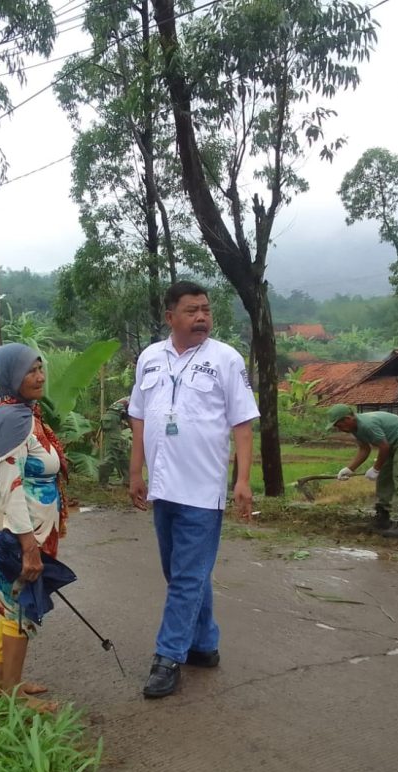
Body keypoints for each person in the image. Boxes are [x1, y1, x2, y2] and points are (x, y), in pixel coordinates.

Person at [128, 280, 260, 699]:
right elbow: (139, 419)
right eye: (191, 310)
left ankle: (168, 658)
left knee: (185, 577)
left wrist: (242, 479)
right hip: (163, 487)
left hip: (203, 490)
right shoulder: (150, 358)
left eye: (206, 309)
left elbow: (242, 423)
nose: (201, 317)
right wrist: (136, 474)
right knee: (181, 573)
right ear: (171, 317)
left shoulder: (226, 359)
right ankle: (204, 645)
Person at [0, 342, 69, 712]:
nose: (40, 376)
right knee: (20, 607)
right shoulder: (13, 419)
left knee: (12, 606)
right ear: (11, 376)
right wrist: (29, 546)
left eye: (40, 368)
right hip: (16, 530)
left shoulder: (19, 412)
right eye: (29, 371)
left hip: (27, 527)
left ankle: (5, 683)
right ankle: (11, 694)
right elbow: (10, 486)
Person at [329, 404, 398, 538]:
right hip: (391, 443)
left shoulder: (367, 425)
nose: (339, 429)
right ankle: (383, 517)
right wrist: (350, 469)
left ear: (348, 419)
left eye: (339, 425)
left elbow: (384, 447)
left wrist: (376, 468)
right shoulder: (355, 429)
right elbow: (365, 449)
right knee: (383, 480)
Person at [98, 397, 131, 486]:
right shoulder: (137, 398)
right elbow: (131, 417)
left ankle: (127, 479)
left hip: (113, 418)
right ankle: (103, 482)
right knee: (112, 451)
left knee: (121, 449)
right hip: (113, 418)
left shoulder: (130, 399)